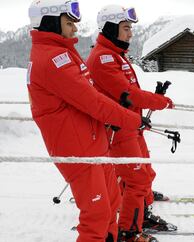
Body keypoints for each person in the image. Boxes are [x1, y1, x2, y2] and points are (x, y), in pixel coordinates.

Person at [27, 1, 147, 241]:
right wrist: (131, 120)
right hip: (77, 151)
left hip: (92, 144)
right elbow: (92, 101)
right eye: (69, 23)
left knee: (112, 204)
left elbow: (85, 98)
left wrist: (114, 118)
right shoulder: (53, 59)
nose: (74, 30)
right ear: (50, 21)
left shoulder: (62, 52)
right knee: (96, 214)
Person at [86, 5, 176, 242]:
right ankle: (129, 231)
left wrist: (141, 115)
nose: (130, 33)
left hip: (131, 126)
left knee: (144, 171)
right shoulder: (103, 58)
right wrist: (160, 102)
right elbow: (127, 93)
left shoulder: (116, 54)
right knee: (136, 179)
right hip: (118, 130)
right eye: (126, 28)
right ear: (111, 29)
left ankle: (140, 210)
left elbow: (129, 94)